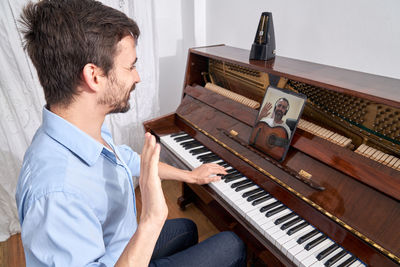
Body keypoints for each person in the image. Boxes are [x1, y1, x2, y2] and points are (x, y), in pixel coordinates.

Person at [15, 0, 246, 266]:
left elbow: (124, 159)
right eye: (130, 66)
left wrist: (190, 176)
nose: (137, 77)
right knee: (232, 244)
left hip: (117, 244)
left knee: (187, 229)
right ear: (94, 76)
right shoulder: (56, 193)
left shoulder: (79, 128)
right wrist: (150, 219)